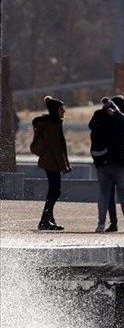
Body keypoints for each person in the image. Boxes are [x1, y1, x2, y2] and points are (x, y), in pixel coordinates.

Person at [89, 94, 124, 233]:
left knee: (104, 193)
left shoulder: (98, 119)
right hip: (120, 163)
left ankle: (101, 225)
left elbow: (90, 127)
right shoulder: (120, 122)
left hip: (102, 161)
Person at [30, 95, 71, 231]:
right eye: (61, 109)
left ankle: (49, 219)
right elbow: (56, 147)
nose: (63, 111)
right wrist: (64, 166)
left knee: (54, 190)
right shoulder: (53, 125)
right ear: (55, 110)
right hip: (51, 161)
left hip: (49, 160)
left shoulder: (51, 122)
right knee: (55, 191)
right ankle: (45, 220)